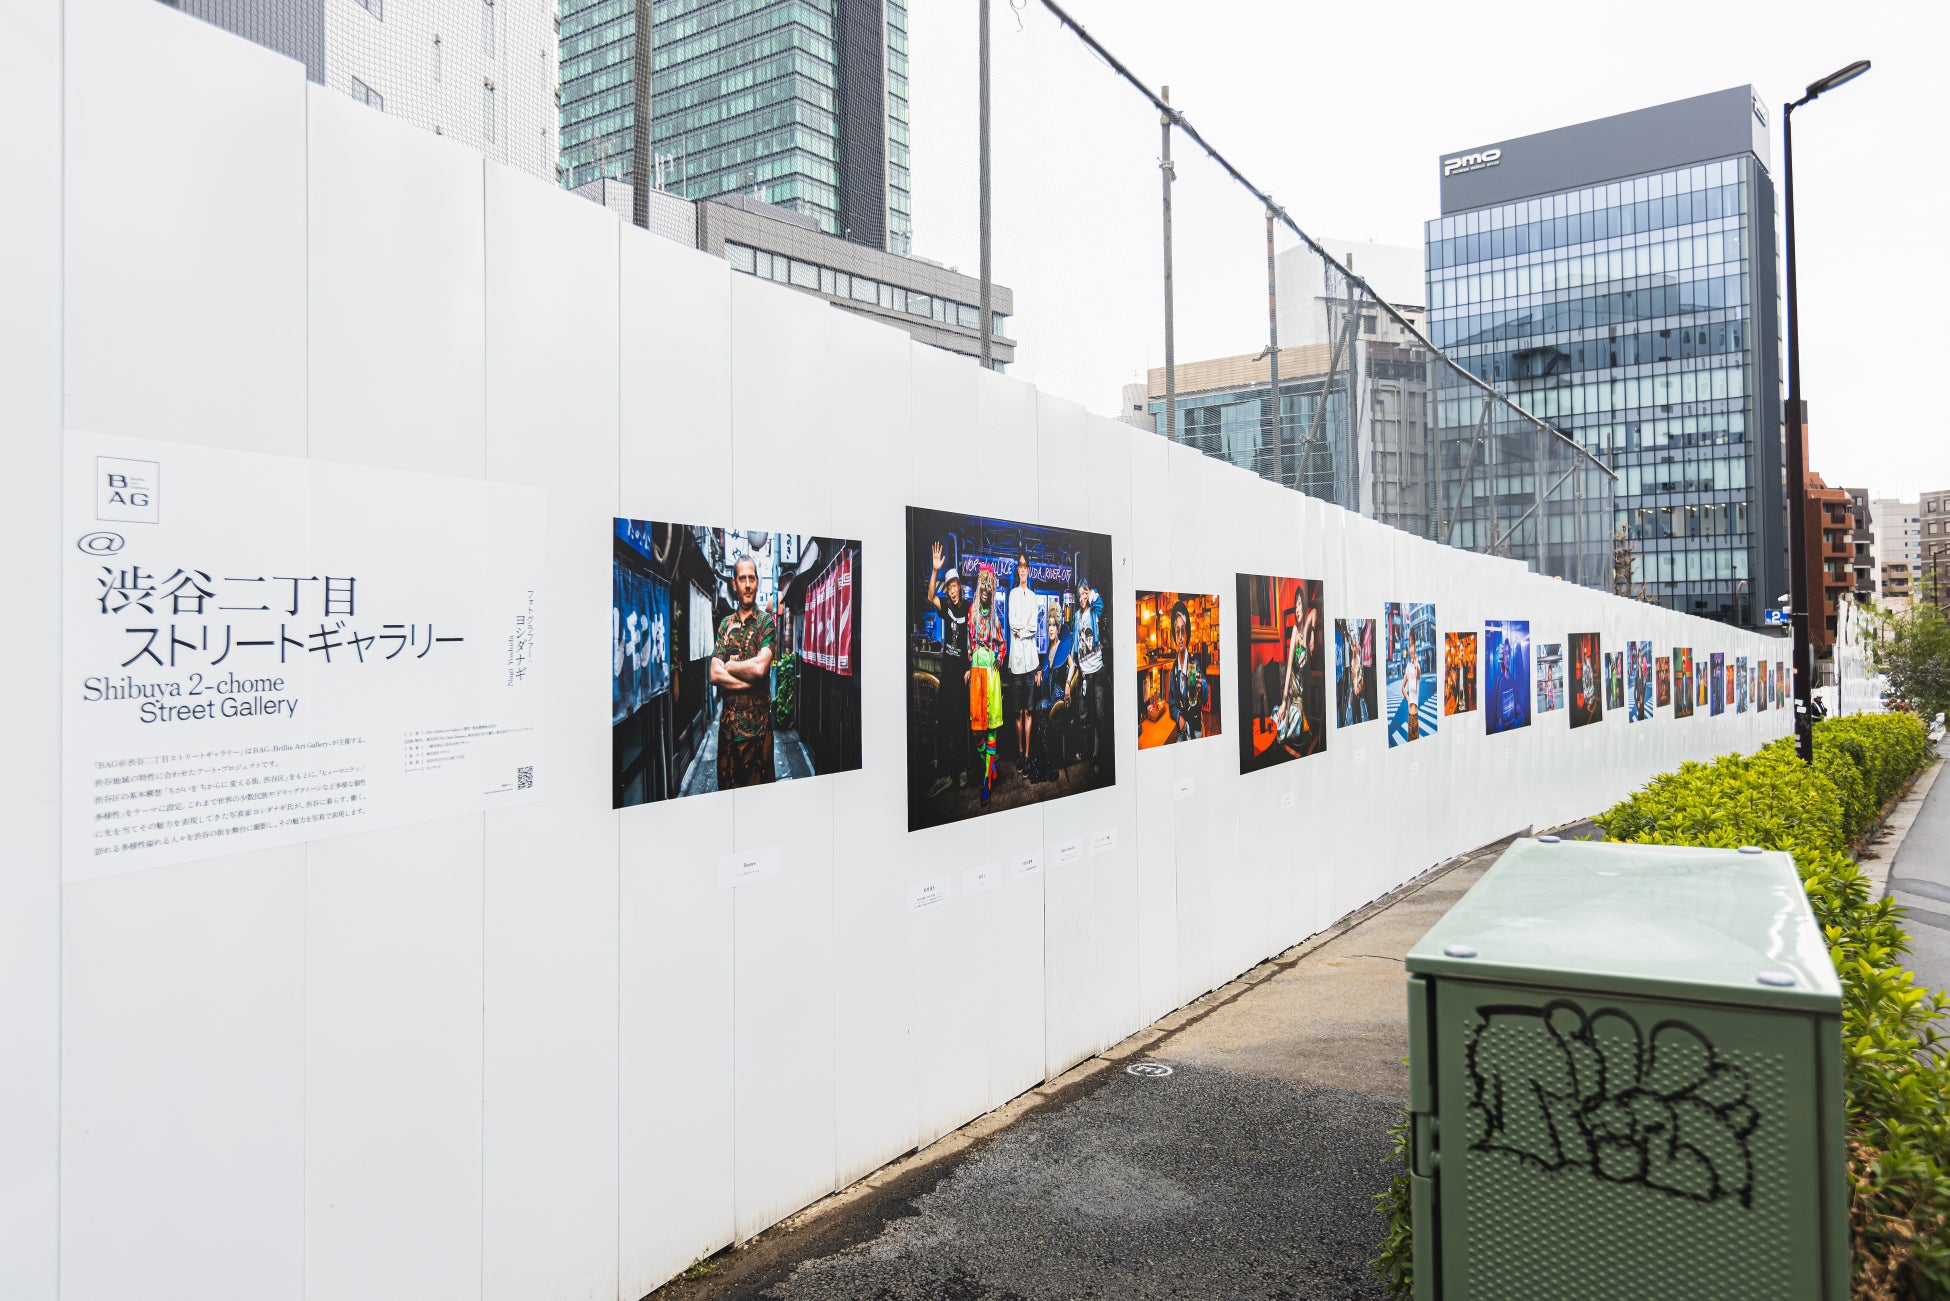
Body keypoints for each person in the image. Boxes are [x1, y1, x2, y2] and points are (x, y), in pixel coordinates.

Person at [709, 555, 776, 789]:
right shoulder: (725, 625)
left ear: (757, 581)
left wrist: (730, 665)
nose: (747, 585)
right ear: (734, 583)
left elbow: (759, 668)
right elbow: (714, 674)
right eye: (742, 579)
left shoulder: (766, 623)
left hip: (759, 737)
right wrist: (749, 682)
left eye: (751, 578)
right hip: (728, 736)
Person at [926, 542, 971, 791]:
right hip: (947, 673)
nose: (952, 591)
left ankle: (962, 769)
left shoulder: (968, 608)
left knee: (960, 722)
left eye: (955, 586)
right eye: (949, 587)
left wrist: (971, 666)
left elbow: (975, 638)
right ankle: (944, 772)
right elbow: (930, 596)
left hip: (962, 675)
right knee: (943, 723)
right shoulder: (946, 607)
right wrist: (935, 570)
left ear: (960, 588)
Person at [968, 564, 1007, 806]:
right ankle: (989, 766)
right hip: (976, 674)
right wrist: (973, 658)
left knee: (991, 728)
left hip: (991, 677)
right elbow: (969, 646)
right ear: (979, 588)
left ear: (992, 590)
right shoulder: (972, 616)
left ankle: (987, 779)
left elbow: (1002, 644)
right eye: (983, 584)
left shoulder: (995, 617)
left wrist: (998, 658)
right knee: (976, 730)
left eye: (989, 585)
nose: (985, 589)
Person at [1006, 549, 1042, 777]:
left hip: (1031, 661)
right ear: (1017, 570)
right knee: (1017, 712)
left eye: (1025, 565)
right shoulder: (1011, 595)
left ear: (1028, 570)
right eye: (1019, 565)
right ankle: (1019, 753)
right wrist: (1022, 627)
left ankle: (1027, 756)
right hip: (1016, 663)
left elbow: (1034, 627)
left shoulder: (1034, 597)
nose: (1022, 569)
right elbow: (1012, 623)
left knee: (1029, 712)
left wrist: (1024, 629)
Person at [1068, 578, 1107, 761]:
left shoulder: (1094, 611)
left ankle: (1098, 753)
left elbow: (1101, 604)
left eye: (1084, 594)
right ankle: (1085, 751)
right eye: (1080, 595)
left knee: (1099, 715)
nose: (1082, 598)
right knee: (1084, 716)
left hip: (1098, 670)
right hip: (1084, 672)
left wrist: (1090, 592)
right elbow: (1075, 640)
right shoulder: (1077, 615)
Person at [1165, 600, 1204, 742]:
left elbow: (1204, 694)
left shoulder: (1194, 665)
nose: (1180, 637)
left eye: (1183, 630)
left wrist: (1201, 688)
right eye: (1177, 632)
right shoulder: (1173, 670)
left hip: (1195, 731)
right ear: (1174, 636)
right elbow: (1171, 703)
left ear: (1187, 634)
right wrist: (1178, 716)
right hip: (1181, 732)